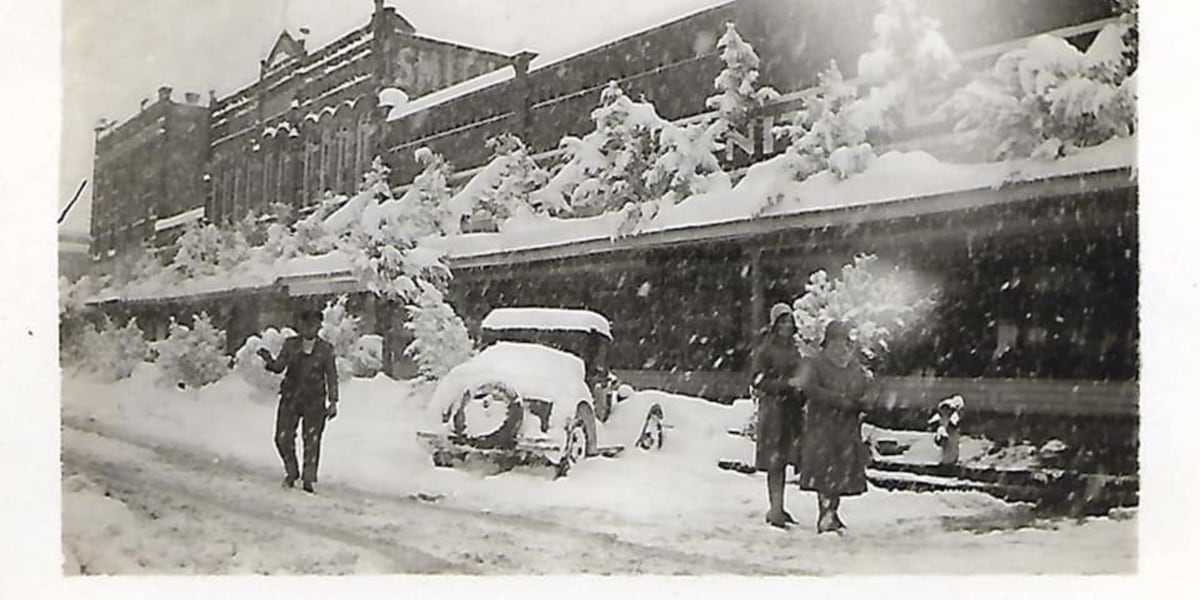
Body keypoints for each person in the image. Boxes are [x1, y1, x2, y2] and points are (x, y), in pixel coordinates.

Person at [790, 320, 873, 534]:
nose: (839, 345)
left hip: (846, 427)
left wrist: (861, 401)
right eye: (835, 340)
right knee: (825, 471)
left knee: (840, 471)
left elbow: (864, 387)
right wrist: (838, 399)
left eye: (843, 340)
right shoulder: (815, 364)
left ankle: (833, 513)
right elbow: (810, 389)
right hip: (822, 425)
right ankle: (825, 514)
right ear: (827, 342)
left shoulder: (853, 365)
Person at [257, 310, 339, 493]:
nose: (309, 328)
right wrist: (268, 360)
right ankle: (291, 471)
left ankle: (308, 479)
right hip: (291, 398)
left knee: (312, 441)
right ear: (300, 326)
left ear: (319, 326)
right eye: (306, 324)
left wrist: (333, 401)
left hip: (315, 401)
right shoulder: (291, 345)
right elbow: (279, 367)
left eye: (314, 325)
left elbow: (332, 376)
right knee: (282, 438)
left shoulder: (325, 349)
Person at [751, 303, 805, 529]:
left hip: (791, 410)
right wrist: (785, 384)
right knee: (775, 460)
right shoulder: (766, 350)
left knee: (784, 459)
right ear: (774, 325)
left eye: (789, 321)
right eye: (782, 321)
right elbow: (758, 380)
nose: (786, 326)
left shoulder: (794, 348)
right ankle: (775, 508)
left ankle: (779, 506)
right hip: (773, 411)